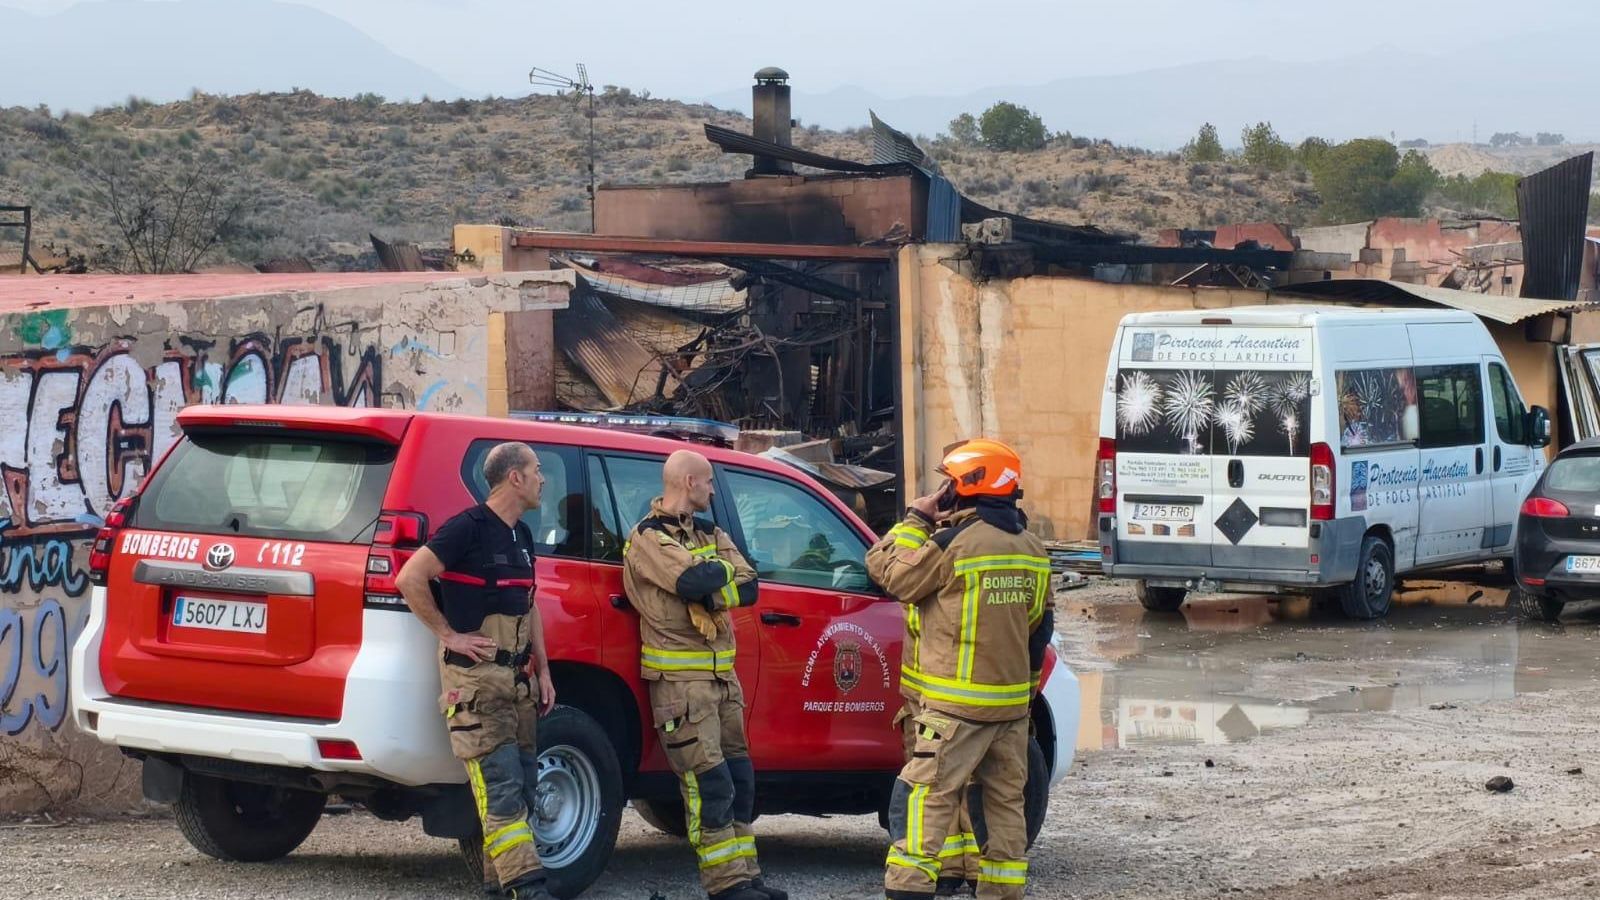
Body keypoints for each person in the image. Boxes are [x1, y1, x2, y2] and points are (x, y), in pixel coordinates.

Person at [868, 439, 1055, 900]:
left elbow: (891, 574)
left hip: (955, 707)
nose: (946, 489)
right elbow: (1039, 627)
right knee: (1005, 802)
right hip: (1010, 708)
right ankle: (1001, 891)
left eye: (951, 481)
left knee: (924, 794)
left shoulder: (953, 544)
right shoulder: (1031, 548)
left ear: (969, 486)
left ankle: (909, 887)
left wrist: (916, 519)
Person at [621, 450, 786, 900]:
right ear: (689, 481)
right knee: (709, 785)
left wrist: (713, 588)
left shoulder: (709, 532)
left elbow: (748, 584)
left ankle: (748, 877)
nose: (713, 491)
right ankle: (725, 884)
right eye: (709, 482)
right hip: (681, 687)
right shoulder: (647, 538)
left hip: (721, 681)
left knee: (740, 780)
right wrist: (712, 581)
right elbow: (692, 582)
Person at [396, 442, 557, 900]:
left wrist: (542, 668)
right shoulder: (466, 529)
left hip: (517, 684)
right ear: (515, 478)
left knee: (522, 787)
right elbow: (409, 577)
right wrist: (449, 635)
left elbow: (530, 606)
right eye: (537, 470)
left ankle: (497, 887)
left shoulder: (521, 536)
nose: (543, 479)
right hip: (475, 686)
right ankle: (528, 887)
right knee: (502, 788)